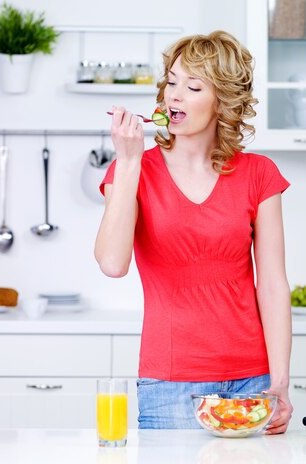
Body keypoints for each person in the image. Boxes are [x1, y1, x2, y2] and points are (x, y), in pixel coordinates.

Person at [94, 30, 293, 434]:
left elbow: (272, 284)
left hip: (253, 382)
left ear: (223, 101)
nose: (174, 95)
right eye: (171, 81)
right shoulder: (133, 171)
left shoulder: (259, 174)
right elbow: (113, 264)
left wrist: (280, 383)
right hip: (169, 385)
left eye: (193, 85)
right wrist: (129, 161)